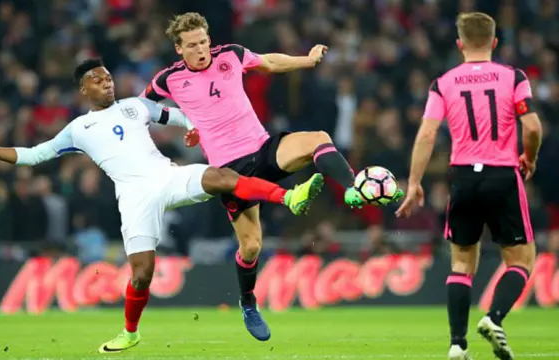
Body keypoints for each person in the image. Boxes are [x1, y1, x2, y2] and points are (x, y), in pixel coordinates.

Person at [0, 58, 326, 354]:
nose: (107, 83)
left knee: (220, 176)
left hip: (166, 175)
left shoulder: (135, 106)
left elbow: (172, 114)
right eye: (98, 80)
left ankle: (289, 196)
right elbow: (32, 155)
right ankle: (130, 333)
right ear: (84, 88)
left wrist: (190, 126)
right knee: (142, 273)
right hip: (134, 196)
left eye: (109, 77)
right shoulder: (77, 130)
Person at [142, 12, 404, 341]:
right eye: (192, 45)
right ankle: (248, 303)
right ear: (179, 49)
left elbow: (268, 62)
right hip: (230, 172)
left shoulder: (231, 55)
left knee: (318, 138)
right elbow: (141, 110)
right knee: (251, 247)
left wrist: (307, 61)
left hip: (263, 148)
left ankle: (353, 188)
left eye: (204, 42)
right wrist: (182, 123)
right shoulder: (168, 80)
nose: (201, 50)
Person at [395, 12, 542, 360]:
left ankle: (457, 345)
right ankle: (493, 318)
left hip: (462, 177)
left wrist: (414, 182)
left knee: (461, 264)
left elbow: (427, 133)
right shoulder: (514, 77)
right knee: (521, 259)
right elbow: (533, 126)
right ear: (494, 42)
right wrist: (529, 157)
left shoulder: (443, 82)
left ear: (459, 44)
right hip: (502, 174)